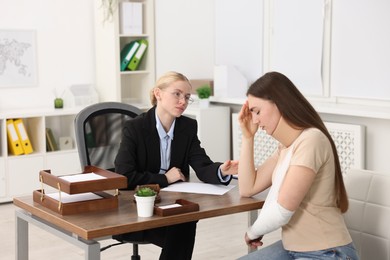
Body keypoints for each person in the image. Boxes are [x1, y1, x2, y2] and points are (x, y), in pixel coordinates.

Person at [114, 71, 238, 260]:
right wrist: (164, 178)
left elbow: (202, 165)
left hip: (170, 205)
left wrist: (222, 171)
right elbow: (124, 177)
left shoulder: (187, 127)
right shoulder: (135, 128)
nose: (183, 101)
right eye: (177, 94)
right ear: (158, 94)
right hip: (139, 206)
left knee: (186, 219)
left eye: (187, 97)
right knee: (183, 227)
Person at [236, 71, 359, 260]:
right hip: (293, 249)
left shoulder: (311, 140)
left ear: (280, 103)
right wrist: (247, 137)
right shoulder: (286, 148)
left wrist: (252, 232)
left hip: (328, 252)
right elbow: (247, 188)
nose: (255, 120)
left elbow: (282, 210)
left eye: (258, 111)